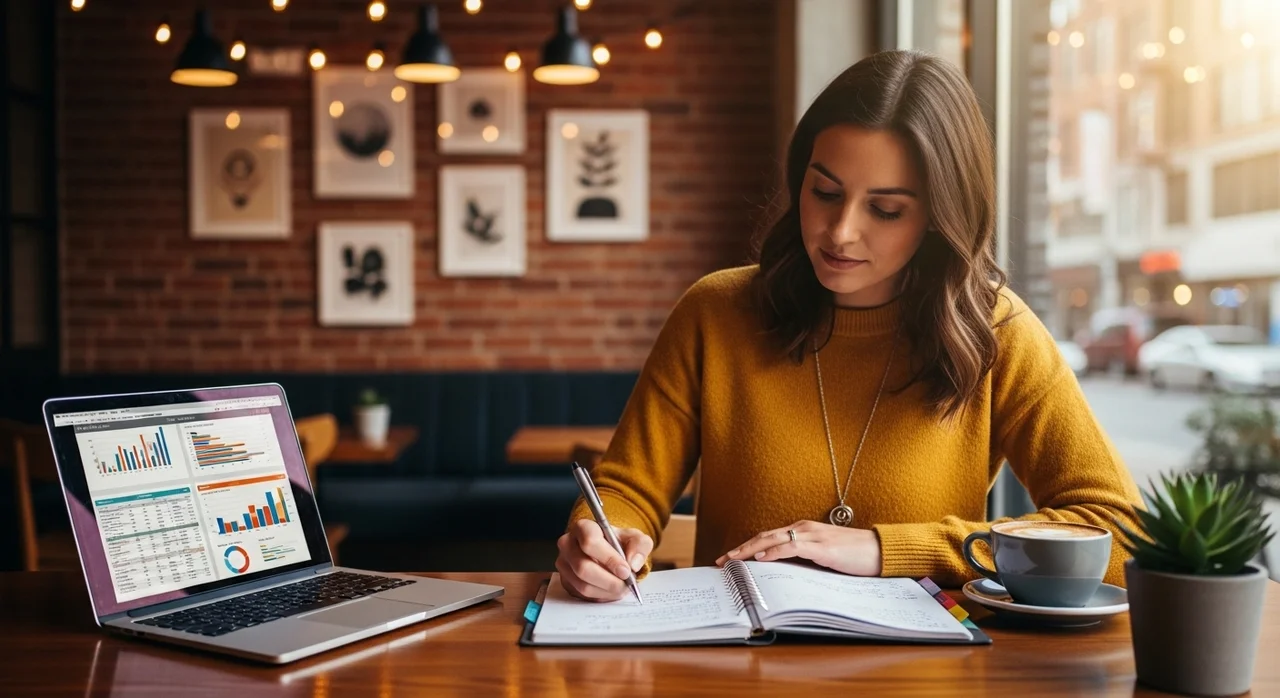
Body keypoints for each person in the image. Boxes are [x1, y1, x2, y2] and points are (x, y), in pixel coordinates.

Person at [555, 49, 1142, 601]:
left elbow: (1120, 534)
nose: (840, 232)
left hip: (927, 666)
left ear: (941, 215)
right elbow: (624, 492)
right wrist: (602, 540)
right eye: (825, 192)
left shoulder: (996, 331)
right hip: (741, 657)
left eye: (885, 210)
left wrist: (889, 550)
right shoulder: (715, 313)